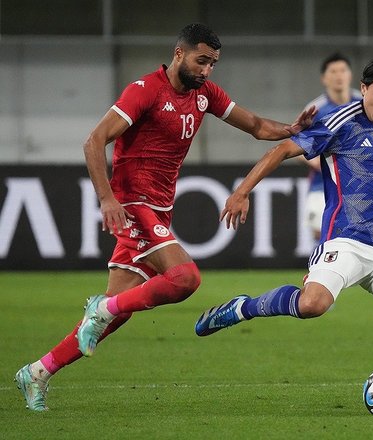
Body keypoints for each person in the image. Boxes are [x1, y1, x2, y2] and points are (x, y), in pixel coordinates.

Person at [14, 23, 316, 411]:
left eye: (213, 63)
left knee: (117, 309)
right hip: (132, 203)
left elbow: (256, 126)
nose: (207, 70)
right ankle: (100, 310)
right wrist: (107, 199)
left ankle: (38, 371)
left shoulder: (205, 94)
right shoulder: (145, 91)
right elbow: (94, 141)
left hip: (158, 206)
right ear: (179, 54)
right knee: (185, 279)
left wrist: (290, 128)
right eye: (201, 60)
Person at [195, 51, 373, 413]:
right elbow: (283, 150)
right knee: (312, 304)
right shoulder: (339, 122)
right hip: (347, 240)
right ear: (362, 88)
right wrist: (241, 192)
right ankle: (242, 308)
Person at [300, 53, 362, 242]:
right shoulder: (315, 109)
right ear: (324, 78)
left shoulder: (363, 104)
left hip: (358, 186)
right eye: (333, 71)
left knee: (356, 239)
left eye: (342, 70)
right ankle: (320, 270)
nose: (338, 75)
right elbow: (297, 147)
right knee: (323, 234)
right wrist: (322, 163)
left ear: (350, 75)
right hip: (323, 186)